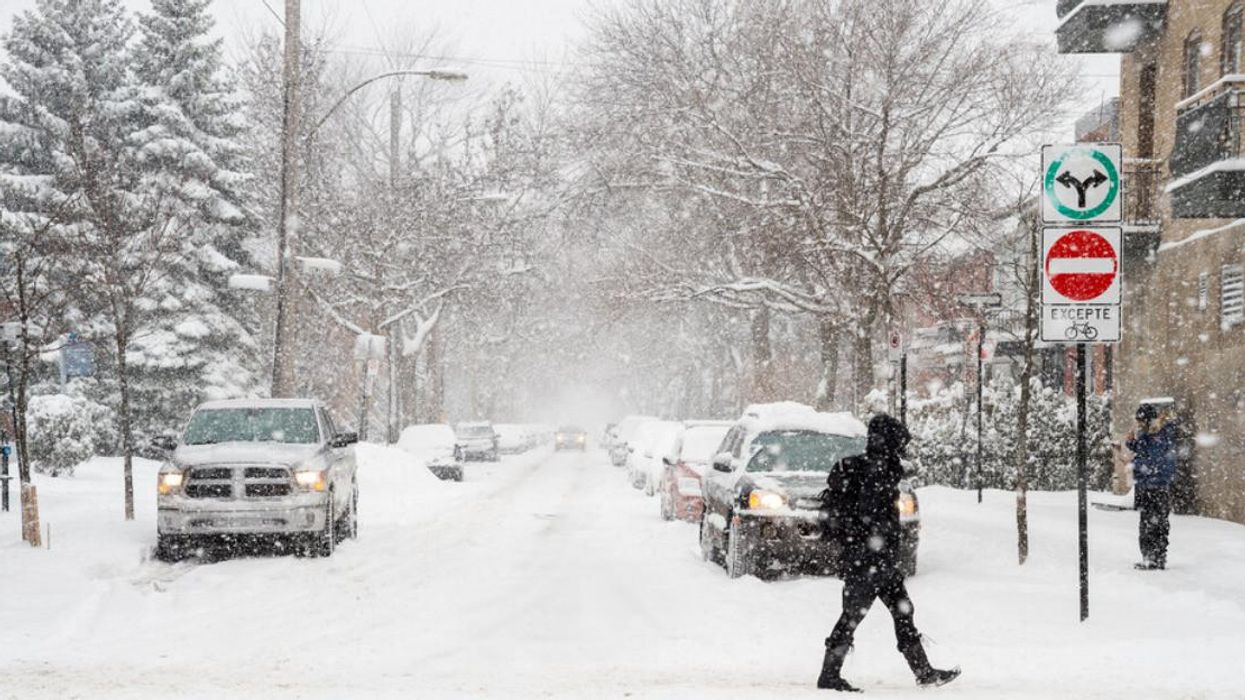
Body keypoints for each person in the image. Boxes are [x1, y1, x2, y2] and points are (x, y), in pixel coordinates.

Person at [816, 414, 959, 692]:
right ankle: (829, 675)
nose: (902, 448)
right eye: (899, 441)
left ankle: (924, 672)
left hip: (876, 560)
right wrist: (873, 549)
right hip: (869, 560)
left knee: (901, 610)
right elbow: (869, 517)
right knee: (853, 615)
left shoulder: (879, 468)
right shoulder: (876, 472)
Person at [1126, 404, 1178, 570]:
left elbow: (1153, 460)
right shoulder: (1153, 435)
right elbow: (1145, 451)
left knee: (1153, 523)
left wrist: (1136, 464)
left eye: (1141, 421)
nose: (1139, 425)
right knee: (1151, 522)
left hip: (1154, 486)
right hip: (1149, 485)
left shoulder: (1157, 436)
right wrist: (1132, 443)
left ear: (1148, 421)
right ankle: (1152, 557)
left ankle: (1154, 558)